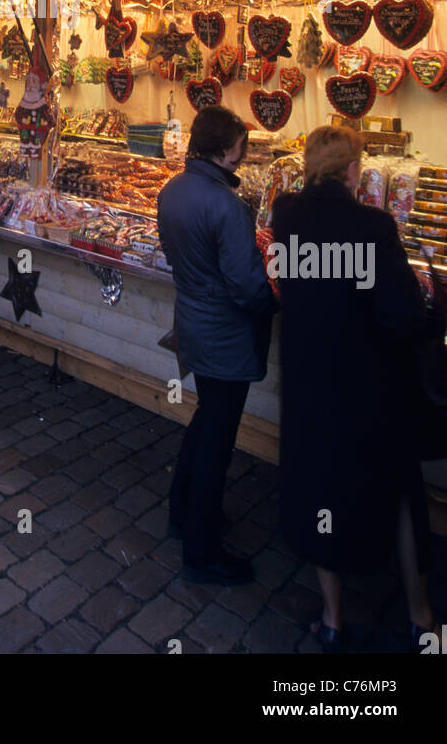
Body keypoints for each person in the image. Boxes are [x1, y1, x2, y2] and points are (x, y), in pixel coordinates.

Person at [271, 125, 438, 653]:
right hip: (369, 388)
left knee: (321, 490)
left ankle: (332, 618)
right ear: (352, 171)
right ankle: (420, 616)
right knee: (402, 493)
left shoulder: (286, 215)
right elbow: (403, 313)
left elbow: (291, 284)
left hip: (307, 384)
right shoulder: (374, 227)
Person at [157, 105, 275, 584]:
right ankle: (201, 552)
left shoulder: (173, 190)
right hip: (224, 332)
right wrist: (273, 298)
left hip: (193, 322)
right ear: (229, 149)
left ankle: (182, 513)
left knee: (205, 420)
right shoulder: (227, 205)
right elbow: (246, 285)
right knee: (218, 442)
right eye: (241, 146)